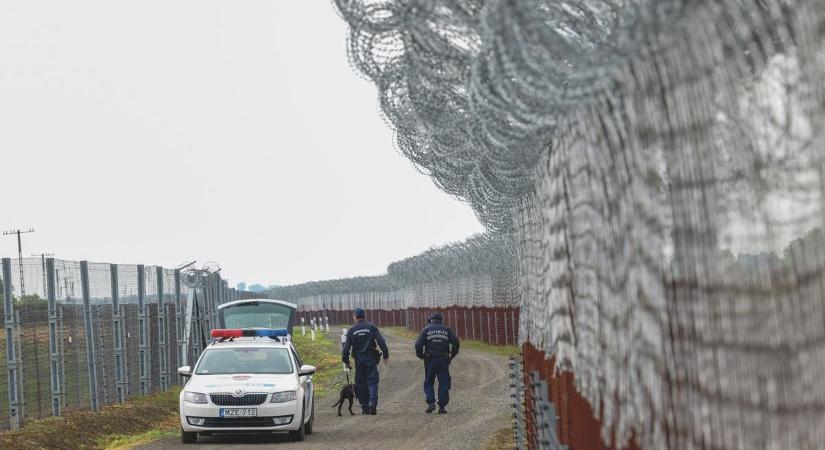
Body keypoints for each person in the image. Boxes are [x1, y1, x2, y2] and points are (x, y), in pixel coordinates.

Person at [342, 307, 389, 415]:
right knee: (372, 381)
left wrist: (346, 360)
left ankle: (365, 407)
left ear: (354, 317)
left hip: (359, 360)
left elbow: (346, 347)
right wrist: (385, 355)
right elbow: (381, 341)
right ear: (364, 316)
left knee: (361, 383)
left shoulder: (352, 330)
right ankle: (372, 403)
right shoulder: (371, 327)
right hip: (371, 358)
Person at [415, 312, 460, 414]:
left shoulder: (426, 330)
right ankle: (442, 407)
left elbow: (418, 345)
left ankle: (431, 403)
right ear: (441, 320)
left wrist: (421, 356)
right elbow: (456, 343)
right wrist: (452, 355)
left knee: (429, 381)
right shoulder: (447, 329)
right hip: (443, 359)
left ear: (430, 320)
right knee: (444, 382)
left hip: (430, 359)